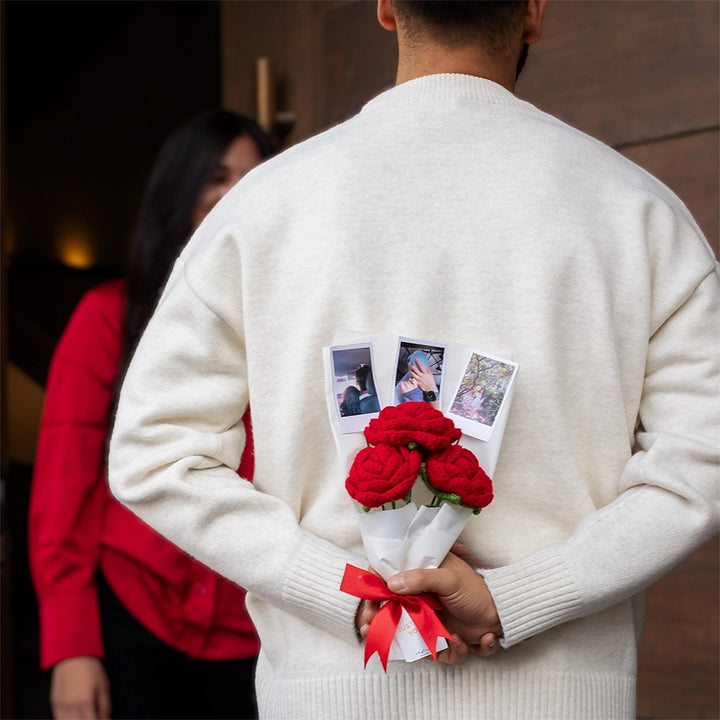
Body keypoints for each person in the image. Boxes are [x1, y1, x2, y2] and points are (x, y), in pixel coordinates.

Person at [108, 2, 719, 718]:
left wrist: (351, 596)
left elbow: (154, 453)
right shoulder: (640, 212)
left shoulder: (261, 209)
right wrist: (514, 600)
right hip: (565, 696)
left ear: (387, 8)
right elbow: (702, 461)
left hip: (328, 694)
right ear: (534, 13)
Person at [29, 109, 275, 720]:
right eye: (217, 176)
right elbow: (64, 488)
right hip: (133, 614)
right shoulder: (107, 317)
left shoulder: (291, 327)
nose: (235, 194)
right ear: (180, 189)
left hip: (261, 623)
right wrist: (70, 647)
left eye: (254, 177)